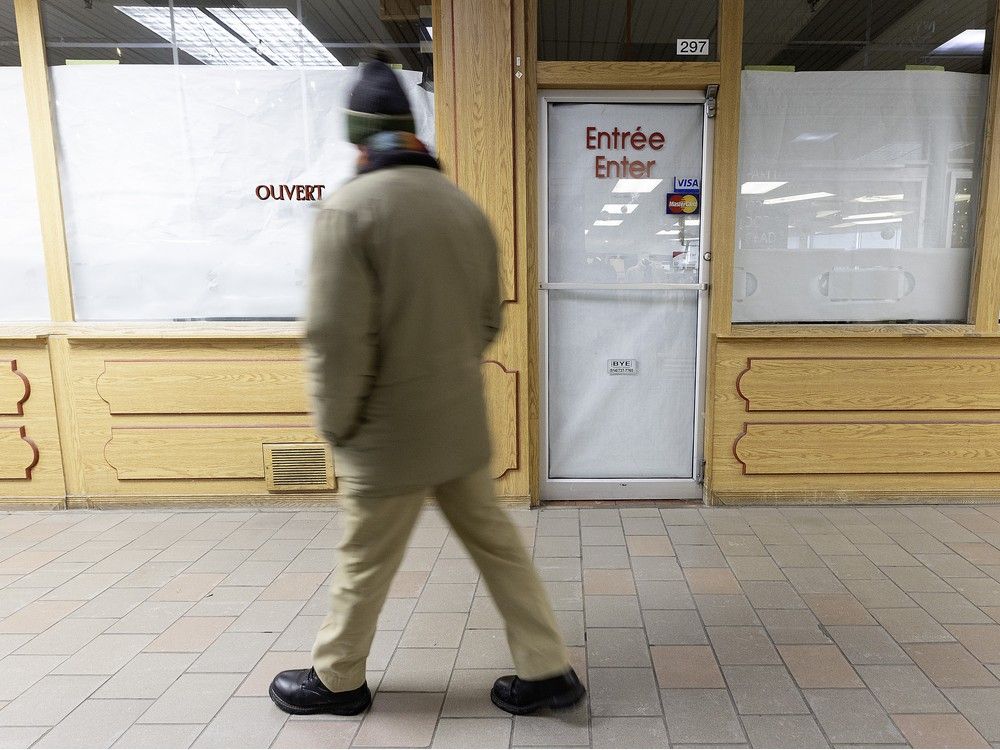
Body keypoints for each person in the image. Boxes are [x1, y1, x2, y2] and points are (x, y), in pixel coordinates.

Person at [269, 59, 585, 718]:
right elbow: (490, 317)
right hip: (459, 424)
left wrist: (335, 423)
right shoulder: (463, 206)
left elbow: (334, 335)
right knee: (498, 546)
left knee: (365, 560)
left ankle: (337, 678)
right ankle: (547, 668)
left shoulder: (349, 209)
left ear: (358, 136)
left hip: (386, 435)